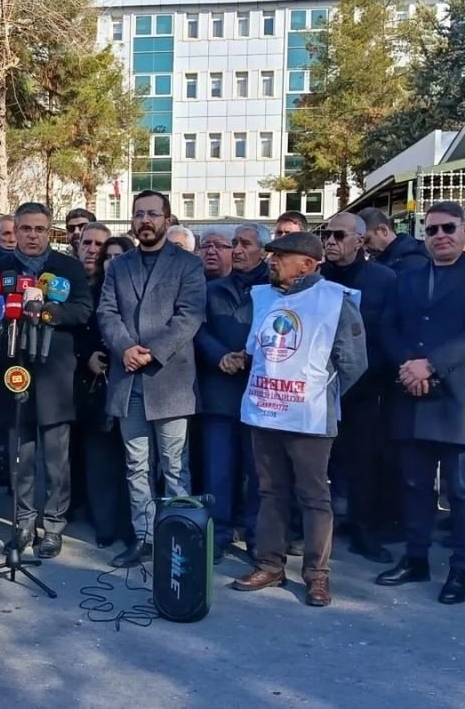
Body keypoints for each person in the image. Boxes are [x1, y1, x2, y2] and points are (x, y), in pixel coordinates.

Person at [376, 201, 465, 605]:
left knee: (463, 491)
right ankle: (416, 559)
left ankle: (461, 570)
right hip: (411, 394)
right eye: (431, 230)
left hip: (459, 400)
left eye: (449, 228)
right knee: (414, 486)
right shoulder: (408, 278)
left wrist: (430, 366)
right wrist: (408, 367)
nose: (440, 236)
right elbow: (388, 326)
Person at [230, 231, 367, 606]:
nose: (272, 260)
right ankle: (270, 564)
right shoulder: (263, 297)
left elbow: (354, 363)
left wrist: (319, 394)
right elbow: (256, 349)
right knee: (270, 492)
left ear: (307, 264)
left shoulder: (335, 300)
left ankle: (317, 575)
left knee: (313, 497)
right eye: (272, 254)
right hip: (265, 412)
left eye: (281, 255)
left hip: (309, 417)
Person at [97, 189, 206, 568]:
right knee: (136, 465)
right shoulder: (119, 266)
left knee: (174, 466)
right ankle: (143, 538)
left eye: (153, 214)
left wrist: (151, 352)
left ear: (167, 220)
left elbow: (189, 316)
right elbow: (107, 313)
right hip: (129, 382)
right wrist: (125, 348)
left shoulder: (188, 265)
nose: (145, 220)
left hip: (170, 379)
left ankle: (178, 538)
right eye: (139, 213)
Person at [0, 202, 93, 558]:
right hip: (13, 372)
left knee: (55, 460)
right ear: (14, 230)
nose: (33, 236)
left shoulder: (68, 267)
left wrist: (46, 310)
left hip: (55, 375)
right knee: (21, 457)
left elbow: (82, 310)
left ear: (51, 233)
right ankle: (23, 522)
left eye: (40, 230)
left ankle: (54, 525)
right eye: (26, 229)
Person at [318, 212, 398, 564]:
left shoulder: (384, 279)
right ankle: (316, 530)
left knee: (364, 463)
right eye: (326, 235)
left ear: (360, 241)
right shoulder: (315, 278)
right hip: (318, 387)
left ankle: (365, 531)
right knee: (316, 463)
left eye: (339, 235)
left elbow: (389, 331)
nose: (330, 242)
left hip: (365, 387)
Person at [195, 222, 271, 560]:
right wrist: (219, 356)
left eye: (245, 243)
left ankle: (257, 537)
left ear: (263, 251)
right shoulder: (212, 290)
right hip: (220, 392)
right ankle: (219, 534)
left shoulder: (277, 289)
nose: (238, 250)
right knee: (218, 471)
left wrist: (249, 356)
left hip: (263, 393)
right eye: (235, 243)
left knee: (259, 473)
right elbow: (197, 330)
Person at [78, 232, 132, 548]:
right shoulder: (91, 291)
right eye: (107, 257)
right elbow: (79, 331)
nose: (112, 262)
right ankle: (104, 525)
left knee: (131, 461)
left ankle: (128, 526)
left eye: (118, 256)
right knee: (99, 461)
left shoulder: (138, 292)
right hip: (97, 385)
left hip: (131, 382)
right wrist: (88, 356)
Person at [360, 207, 429, 273]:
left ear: (383, 230)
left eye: (367, 241)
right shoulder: (385, 260)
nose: (365, 248)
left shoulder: (412, 263)